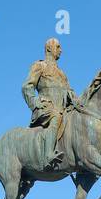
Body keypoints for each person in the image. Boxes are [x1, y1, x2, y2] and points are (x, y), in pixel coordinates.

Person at [22, 37, 74, 172]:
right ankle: (48, 155)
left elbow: (70, 92)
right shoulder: (39, 66)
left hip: (63, 109)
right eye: (58, 47)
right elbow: (27, 86)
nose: (61, 50)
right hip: (46, 109)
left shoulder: (62, 73)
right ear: (49, 48)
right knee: (56, 116)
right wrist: (35, 102)